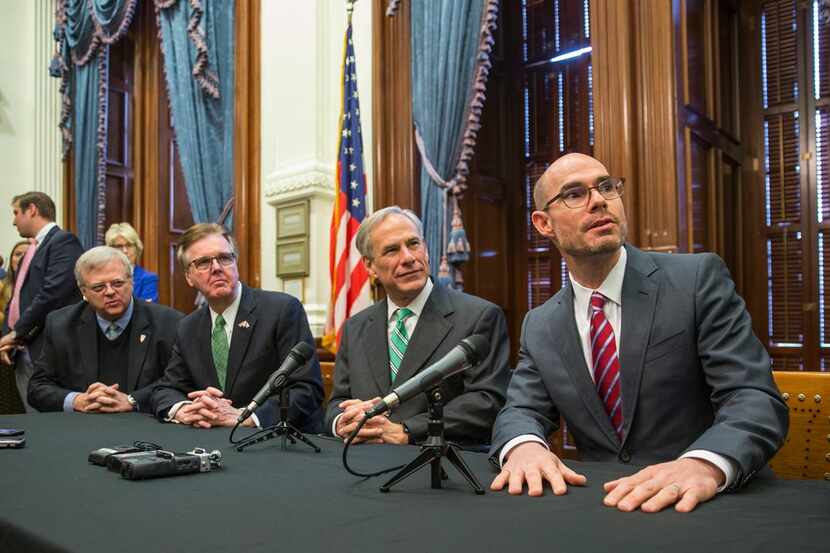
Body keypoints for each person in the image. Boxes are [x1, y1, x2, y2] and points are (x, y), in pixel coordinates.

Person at [489, 153, 788, 513]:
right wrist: (524, 447)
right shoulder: (540, 324)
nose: (599, 200)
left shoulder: (695, 280)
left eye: (606, 187)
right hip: (605, 506)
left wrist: (703, 464)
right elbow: (520, 409)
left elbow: (753, 397)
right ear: (543, 224)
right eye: (574, 194)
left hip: (706, 505)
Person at [325, 207, 510, 446]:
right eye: (392, 250)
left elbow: (487, 401)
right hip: (363, 462)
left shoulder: (479, 316)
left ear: (426, 248)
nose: (409, 258)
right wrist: (341, 422)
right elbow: (337, 401)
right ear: (370, 266)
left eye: (413, 244)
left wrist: (407, 430)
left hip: (437, 464)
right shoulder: (355, 327)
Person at [151, 223, 323, 431]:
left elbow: (306, 389)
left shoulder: (282, 310)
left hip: (276, 440)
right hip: (212, 440)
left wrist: (248, 417)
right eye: (204, 262)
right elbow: (168, 388)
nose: (216, 268)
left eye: (224, 258)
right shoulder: (188, 326)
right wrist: (184, 408)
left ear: (236, 263)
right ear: (189, 276)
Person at [27, 247, 182, 413]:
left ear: (131, 282)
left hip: (145, 427)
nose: (110, 292)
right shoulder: (61, 324)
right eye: (99, 287)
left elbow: (178, 382)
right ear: (83, 292)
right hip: (83, 427)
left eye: (117, 283)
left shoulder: (169, 323)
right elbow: (37, 387)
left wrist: (132, 400)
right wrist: (77, 400)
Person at [0, 192, 83, 412]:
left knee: (49, 423)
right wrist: (7, 336)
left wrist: (16, 332)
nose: (13, 220)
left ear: (33, 210)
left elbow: (52, 293)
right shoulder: (33, 248)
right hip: (23, 348)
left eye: (17, 212)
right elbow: (17, 296)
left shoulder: (63, 241)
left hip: (48, 346)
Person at [105, 222, 158, 303]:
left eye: (129, 245)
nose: (125, 251)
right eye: (119, 246)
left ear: (137, 248)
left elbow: (147, 310)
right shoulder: (103, 277)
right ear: (110, 249)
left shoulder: (147, 279)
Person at [0, 240, 31, 331]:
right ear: (11, 260)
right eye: (18, 254)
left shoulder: (43, 288)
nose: (22, 258)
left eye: (27, 254)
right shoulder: (2, 286)